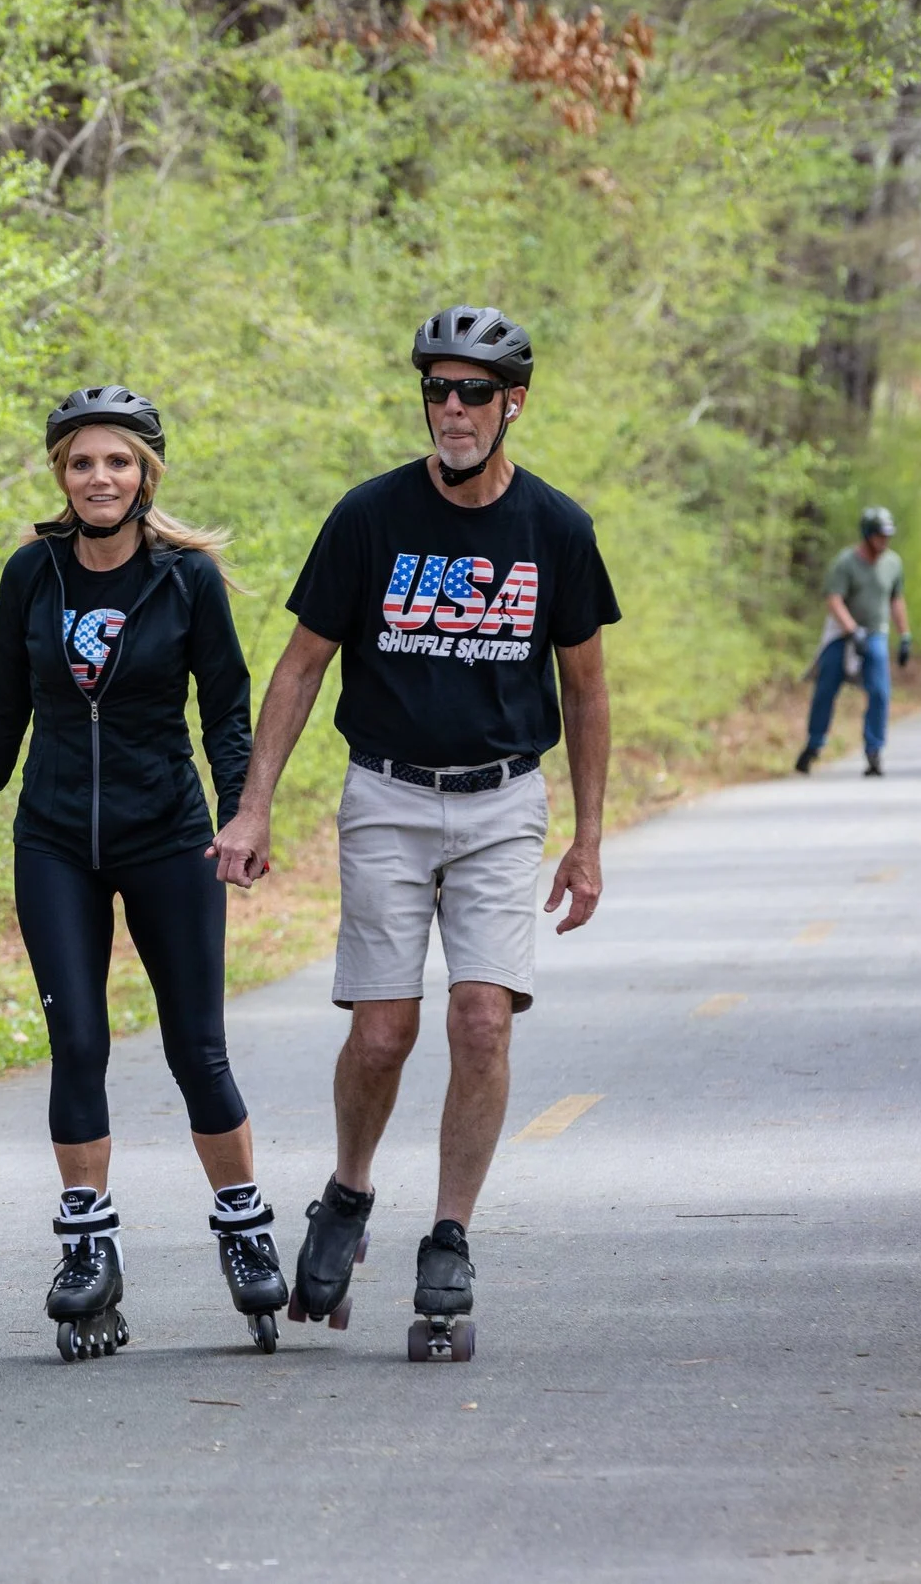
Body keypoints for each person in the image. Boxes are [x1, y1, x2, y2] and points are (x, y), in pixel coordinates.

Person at [207, 305, 619, 1354]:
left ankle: (449, 1235)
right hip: (386, 793)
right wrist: (251, 806)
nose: (451, 408)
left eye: (472, 390)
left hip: (499, 799)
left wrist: (587, 835)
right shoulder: (369, 516)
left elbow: (585, 686)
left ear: (511, 401)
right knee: (382, 1031)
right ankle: (347, 1192)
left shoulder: (556, 530)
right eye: (436, 388)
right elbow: (300, 665)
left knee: (481, 1018)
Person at [0, 385, 287, 1359]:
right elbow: (0, 709)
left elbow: (226, 707)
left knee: (196, 1047)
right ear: (61, 473)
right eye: (83, 461)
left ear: (146, 474)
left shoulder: (187, 579)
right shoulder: (33, 574)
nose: (101, 477)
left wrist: (240, 812)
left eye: (119, 462)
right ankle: (88, 1250)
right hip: (54, 836)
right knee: (79, 1040)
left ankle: (244, 1229)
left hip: (166, 832)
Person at [795, 508, 910, 777]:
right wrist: (851, 629)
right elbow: (833, 599)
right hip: (842, 632)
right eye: (880, 536)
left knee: (880, 691)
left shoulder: (893, 563)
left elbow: (896, 599)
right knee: (826, 687)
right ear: (867, 535)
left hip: (875, 633)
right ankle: (814, 744)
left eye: (887, 537)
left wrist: (905, 635)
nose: (884, 541)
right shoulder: (846, 562)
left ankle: (874, 751)